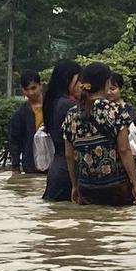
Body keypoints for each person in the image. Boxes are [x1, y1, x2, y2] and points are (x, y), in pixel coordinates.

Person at [63, 62, 136, 207]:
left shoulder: (71, 114)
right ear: (107, 83)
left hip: (86, 187)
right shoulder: (116, 111)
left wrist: (75, 186)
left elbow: (69, 155)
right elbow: (124, 150)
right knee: (115, 227)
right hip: (116, 186)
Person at [42, 60, 82, 201]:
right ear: (67, 80)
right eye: (78, 80)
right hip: (67, 170)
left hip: (57, 169)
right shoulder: (68, 105)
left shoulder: (53, 102)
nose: (81, 85)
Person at [7, 69, 44, 173]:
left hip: (52, 163)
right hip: (31, 164)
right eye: (26, 89)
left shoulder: (53, 107)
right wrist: (15, 166)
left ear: (40, 85)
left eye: (33, 88)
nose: (31, 93)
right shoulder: (20, 113)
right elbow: (15, 141)